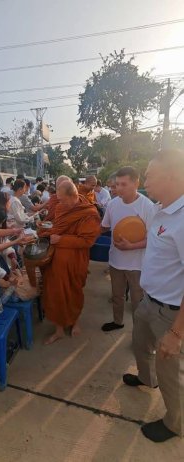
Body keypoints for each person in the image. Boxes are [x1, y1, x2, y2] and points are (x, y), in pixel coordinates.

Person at [123, 149, 184, 443]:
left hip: (171, 312)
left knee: (171, 372)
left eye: (150, 175)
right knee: (139, 345)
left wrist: (176, 332)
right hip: (149, 301)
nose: (145, 179)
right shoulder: (163, 210)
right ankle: (147, 380)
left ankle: (175, 423)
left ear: (172, 177)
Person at [40, 181, 100, 345]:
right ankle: (59, 329)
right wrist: (45, 230)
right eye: (58, 199)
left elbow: (87, 241)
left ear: (73, 196)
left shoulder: (88, 213)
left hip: (76, 261)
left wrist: (61, 239)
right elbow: (58, 227)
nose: (60, 203)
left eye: (63, 199)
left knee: (74, 291)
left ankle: (75, 322)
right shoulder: (61, 207)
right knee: (56, 293)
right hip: (57, 261)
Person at [101, 166, 155, 332]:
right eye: (117, 184)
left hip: (137, 265)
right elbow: (104, 227)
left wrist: (131, 246)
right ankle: (117, 322)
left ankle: (138, 334)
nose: (118, 189)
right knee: (117, 296)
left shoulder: (148, 207)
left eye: (124, 184)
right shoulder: (112, 204)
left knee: (137, 300)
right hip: (116, 261)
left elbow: (153, 239)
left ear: (136, 183)